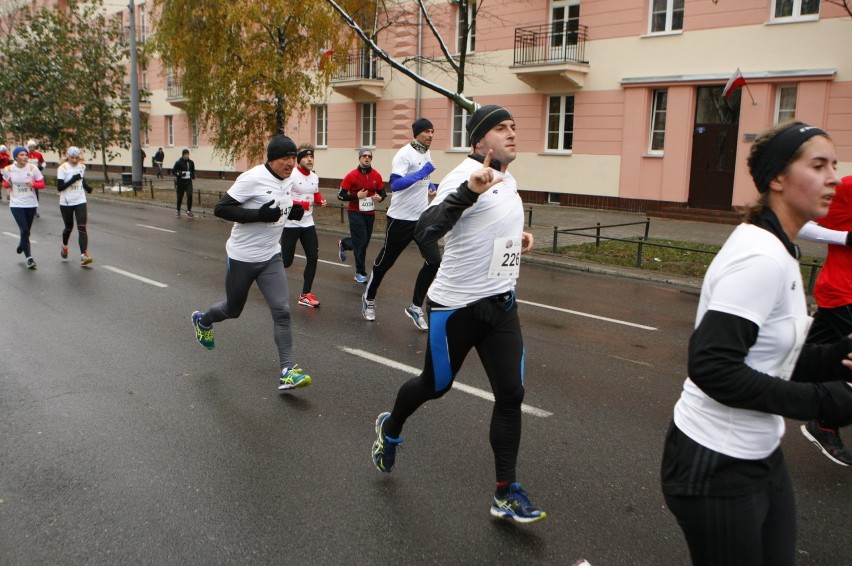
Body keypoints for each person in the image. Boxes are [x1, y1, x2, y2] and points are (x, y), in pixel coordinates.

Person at [660, 122, 852, 566]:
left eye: (835, 166)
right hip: (714, 464)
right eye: (818, 165)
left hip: (759, 454)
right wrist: (825, 401)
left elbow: (774, 356)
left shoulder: (778, 247)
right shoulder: (759, 259)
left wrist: (840, 359)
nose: (834, 179)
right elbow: (711, 368)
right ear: (777, 179)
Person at [370, 105, 547, 524]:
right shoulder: (462, 177)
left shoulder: (509, 177)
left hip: (501, 305)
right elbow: (426, 229)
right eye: (501, 128)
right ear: (479, 141)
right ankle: (390, 426)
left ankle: (505, 492)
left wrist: (514, 239)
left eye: (513, 126)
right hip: (457, 307)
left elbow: (486, 226)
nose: (512, 133)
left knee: (511, 395)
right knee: (435, 385)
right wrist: (470, 190)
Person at [191, 135, 312, 392]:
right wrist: (259, 215)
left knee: (282, 310)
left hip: (271, 256)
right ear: (272, 159)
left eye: (293, 158)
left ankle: (287, 371)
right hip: (243, 257)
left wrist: (293, 210)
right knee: (234, 309)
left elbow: (279, 204)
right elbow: (221, 209)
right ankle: (203, 320)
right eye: (285, 159)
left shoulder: (290, 180)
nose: (290, 163)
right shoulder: (252, 178)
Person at [361, 118, 440, 329]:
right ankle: (369, 298)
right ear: (417, 134)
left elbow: (421, 178)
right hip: (401, 219)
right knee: (385, 262)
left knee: (434, 261)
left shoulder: (425, 152)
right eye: (426, 132)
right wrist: (423, 173)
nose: (430, 135)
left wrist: (429, 183)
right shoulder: (404, 154)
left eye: (432, 131)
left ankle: (415, 306)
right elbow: (395, 184)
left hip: (421, 219)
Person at [796, 174, 852, 466]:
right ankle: (825, 423)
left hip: (838, 298)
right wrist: (844, 237)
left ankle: (761, 388)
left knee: (805, 361)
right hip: (844, 293)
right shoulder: (848, 188)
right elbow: (798, 222)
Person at [281, 144, 327, 308]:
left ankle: (305, 295)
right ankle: (264, 274)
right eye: (306, 157)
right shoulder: (291, 175)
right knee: (286, 262)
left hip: (308, 223)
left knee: (313, 258)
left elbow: (315, 192)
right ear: (299, 159)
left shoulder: (314, 177)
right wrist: (300, 204)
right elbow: (283, 197)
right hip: (291, 224)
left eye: (312, 157)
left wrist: (320, 200)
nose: (310, 159)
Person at [337, 149, 385, 284]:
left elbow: (383, 193)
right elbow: (340, 195)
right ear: (360, 158)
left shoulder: (376, 175)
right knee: (361, 241)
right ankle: (360, 272)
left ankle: (345, 244)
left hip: (370, 213)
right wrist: (356, 196)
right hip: (355, 212)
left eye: (370, 156)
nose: (367, 158)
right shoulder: (352, 175)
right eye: (364, 156)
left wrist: (379, 198)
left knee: (364, 243)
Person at [3, 146, 45, 269]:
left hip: (31, 203)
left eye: (26, 155)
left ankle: (22, 243)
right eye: (21, 155)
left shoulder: (33, 168)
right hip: (16, 204)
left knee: (26, 231)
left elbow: (42, 184)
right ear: (16, 157)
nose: (25, 157)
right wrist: (7, 184)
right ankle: (29, 258)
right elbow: (5, 183)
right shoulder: (8, 169)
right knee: (25, 229)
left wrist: (34, 184)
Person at [56, 146, 94, 265]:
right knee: (69, 228)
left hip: (80, 200)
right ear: (68, 157)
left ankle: (83, 255)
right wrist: (72, 179)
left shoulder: (82, 166)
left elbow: (81, 179)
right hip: (66, 202)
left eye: (77, 157)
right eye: (72, 157)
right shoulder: (62, 168)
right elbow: (60, 187)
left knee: (82, 227)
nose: (74, 160)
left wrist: (87, 187)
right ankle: (64, 246)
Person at [173, 148, 196, 218]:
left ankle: (189, 210)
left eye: (188, 154)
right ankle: (178, 210)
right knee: (180, 196)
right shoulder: (178, 162)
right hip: (181, 182)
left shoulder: (191, 162)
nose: (187, 156)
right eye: (185, 154)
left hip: (188, 181)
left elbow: (193, 170)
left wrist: (193, 175)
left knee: (190, 194)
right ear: (183, 155)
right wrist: (179, 174)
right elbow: (173, 171)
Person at [26, 140, 45, 214]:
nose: (32, 148)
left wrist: (41, 167)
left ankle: (35, 209)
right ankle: (27, 208)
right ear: (28, 147)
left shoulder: (38, 154)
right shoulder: (25, 154)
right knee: (27, 192)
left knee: (35, 193)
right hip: (27, 176)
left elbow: (43, 163)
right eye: (30, 147)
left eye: (33, 147)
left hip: (35, 176)